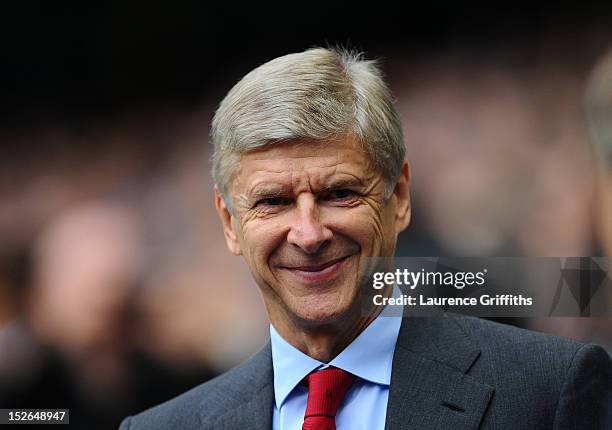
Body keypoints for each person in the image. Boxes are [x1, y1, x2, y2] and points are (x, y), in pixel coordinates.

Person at [120, 47, 612, 429]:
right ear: (229, 222)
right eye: (273, 201)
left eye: (339, 193)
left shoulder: (547, 389)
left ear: (398, 197)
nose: (309, 233)